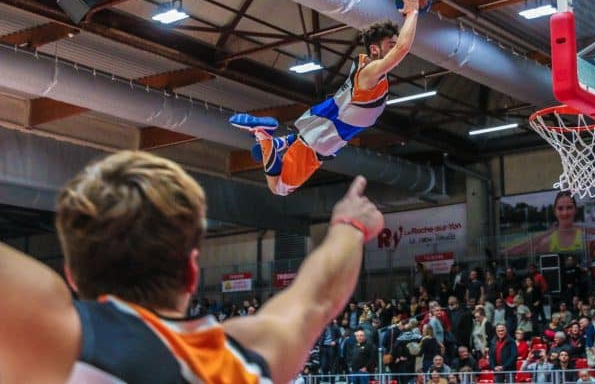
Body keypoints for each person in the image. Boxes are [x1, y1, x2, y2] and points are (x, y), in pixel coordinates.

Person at [0, 151, 385, 383]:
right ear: (192, 271)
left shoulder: (58, 338)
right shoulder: (237, 358)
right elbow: (315, 300)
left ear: (71, 274)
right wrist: (350, 225)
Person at [229, 0, 423, 196]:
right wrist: (412, 12)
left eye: (394, 44)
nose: (395, 48)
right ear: (375, 49)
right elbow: (403, 49)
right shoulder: (371, 72)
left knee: (299, 152)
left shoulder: (367, 70)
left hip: (323, 130)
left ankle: (275, 141)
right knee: (279, 188)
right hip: (321, 140)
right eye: (390, 45)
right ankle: (263, 135)